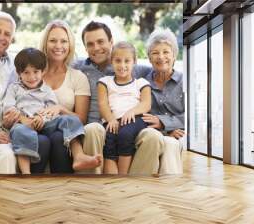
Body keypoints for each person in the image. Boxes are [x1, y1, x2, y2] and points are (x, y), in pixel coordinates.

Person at [73, 21, 184, 175]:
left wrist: (166, 125)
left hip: (135, 124)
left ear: (111, 42)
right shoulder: (78, 68)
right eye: (90, 44)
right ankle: (95, 185)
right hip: (103, 124)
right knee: (95, 130)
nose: (96, 48)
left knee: (152, 137)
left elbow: (158, 73)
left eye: (101, 41)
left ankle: (133, 184)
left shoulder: (138, 73)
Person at [0, 12, 50, 174]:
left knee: (7, 157)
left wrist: (20, 119)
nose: (1, 37)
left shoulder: (16, 66)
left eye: (7, 34)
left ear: (12, 39)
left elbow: (34, 80)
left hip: (3, 132)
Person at [2, 48, 101, 174]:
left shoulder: (47, 90)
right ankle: (26, 173)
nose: (31, 77)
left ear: (43, 71)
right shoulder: (14, 88)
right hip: (23, 125)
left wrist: (42, 118)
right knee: (19, 132)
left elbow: (52, 109)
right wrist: (23, 119)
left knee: (70, 119)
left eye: (35, 72)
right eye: (26, 73)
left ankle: (78, 155)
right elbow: (8, 107)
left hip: (45, 124)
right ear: (18, 73)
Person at [38, 20, 105, 174]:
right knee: (49, 138)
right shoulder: (33, 73)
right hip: (36, 127)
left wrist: (60, 109)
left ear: (70, 45)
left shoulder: (77, 77)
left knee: (58, 137)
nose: (58, 46)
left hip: (63, 136)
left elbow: (80, 119)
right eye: (53, 40)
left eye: (64, 41)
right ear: (45, 43)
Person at [130, 28, 185, 175]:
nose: (161, 57)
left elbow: (192, 116)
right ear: (149, 58)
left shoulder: (185, 82)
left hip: (177, 133)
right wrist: (162, 129)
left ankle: (168, 190)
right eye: (155, 53)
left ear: (174, 55)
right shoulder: (141, 82)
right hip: (149, 132)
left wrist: (165, 123)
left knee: (170, 143)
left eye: (166, 52)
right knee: (153, 138)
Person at [97, 42, 151, 174]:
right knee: (110, 137)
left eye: (127, 61)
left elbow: (146, 104)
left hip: (135, 118)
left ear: (134, 62)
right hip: (113, 120)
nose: (122, 65)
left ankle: (123, 176)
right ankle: (112, 179)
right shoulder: (104, 82)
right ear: (111, 62)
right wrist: (110, 119)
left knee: (125, 134)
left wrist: (131, 112)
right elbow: (102, 104)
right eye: (118, 61)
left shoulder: (141, 83)